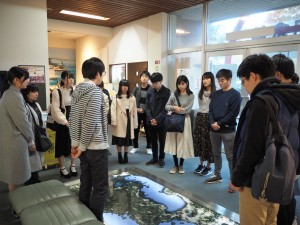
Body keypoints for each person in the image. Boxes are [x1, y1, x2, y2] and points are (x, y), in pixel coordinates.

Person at [230, 54, 300, 225]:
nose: (245, 87)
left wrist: (236, 178)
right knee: (270, 220)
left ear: (253, 76)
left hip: (255, 179)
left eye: (244, 81)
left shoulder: (259, 102)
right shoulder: (286, 98)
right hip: (278, 174)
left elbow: (251, 148)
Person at [69, 57, 109, 222]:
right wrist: (83, 146)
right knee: (100, 188)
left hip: (81, 146)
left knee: (85, 182)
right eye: (103, 72)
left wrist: (76, 144)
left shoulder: (77, 90)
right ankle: (96, 220)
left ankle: (84, 219)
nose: (103, 76)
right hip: (95, 147)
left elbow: (73, 118)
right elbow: (90, 121)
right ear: (98, 73)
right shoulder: (95, 92)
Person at [205, 69, 241, 192]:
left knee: (230, 156)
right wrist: (212, 123)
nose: (220, 83)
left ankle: (233, 180)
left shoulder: (235, 95)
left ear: (229, 80)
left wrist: (219, 123)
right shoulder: (215, 94)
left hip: (228, 130)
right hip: (214, 129)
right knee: (216, 153)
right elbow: (210, 111)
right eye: (219, 81)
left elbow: (232, 113)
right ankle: (217, 174)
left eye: (222, 80)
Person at [272, 54, 298, 225]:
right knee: (288, 196)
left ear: (278, 75)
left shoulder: (274, 98)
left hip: (278, 159)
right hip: (295, 160)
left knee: (277, 201)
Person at [0, 67, 35, 192]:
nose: (28, 81)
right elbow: (23, 123)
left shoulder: (10, 94)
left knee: (14, 176)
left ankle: (16, 207)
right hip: (15, 142)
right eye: (25, 79)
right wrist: (31, 141)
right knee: (16, 177)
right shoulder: (14, 96)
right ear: (16, 80)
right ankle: (17, 208)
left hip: (12, 140)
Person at [165, 75, 194, 174]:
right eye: (179, 84)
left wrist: (178, 110)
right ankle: (175, 165)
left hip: (185, 121)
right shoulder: (174, 94)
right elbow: (167, 106)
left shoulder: (191, 95)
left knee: (183, 143)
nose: (181, 86)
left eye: (183, 84)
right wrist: (174, 107)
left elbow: (188, 110)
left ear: (187, 83)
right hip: (173, 121)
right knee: (174, 142)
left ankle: (181, 165)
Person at [51, 70, 77, 178]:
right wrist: (66, 122)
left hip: (74, 120)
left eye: (72, 78)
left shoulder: (75, 91)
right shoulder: (57, 92)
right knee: (61, 145)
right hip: (62, 122)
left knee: (74, 144)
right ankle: (62, 168)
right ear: (63, 79)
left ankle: (73, 165)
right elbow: (55, 110)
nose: (71, 80)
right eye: (68, 78)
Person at [145, 72, 170, 167]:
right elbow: (147, 106)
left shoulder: (166, 91)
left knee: (162, 140)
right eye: (153, 83)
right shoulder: (150, 91)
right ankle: (154, 157)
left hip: (162, 121)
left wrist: (157, 119)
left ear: (161, 81)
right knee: (153, 140)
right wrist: (151, 119)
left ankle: (161, 158)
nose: (154, 85)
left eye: (156, 83)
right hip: (151, 121)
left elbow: (166, 108)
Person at [193, 72, 216, 176]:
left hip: (209, 119)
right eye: (203, 79)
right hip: (200, 118)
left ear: (211, 79)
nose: (205, 80)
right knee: (199, 142)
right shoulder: (200, 92)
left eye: (207, 78)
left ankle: (208, 167)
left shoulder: (216, 93)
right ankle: (201, 164)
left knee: (209, 143)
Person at [22, 84, 44, 185]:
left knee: (37, 157)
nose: (36, 94)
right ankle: (29, 180)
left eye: (37, 91)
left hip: (39, 134)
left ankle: (36, 177)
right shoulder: (24, 106)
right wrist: (30, 140)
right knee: (30, 159)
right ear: (27, 94)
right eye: (33, 92)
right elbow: (24, 124)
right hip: (30, 136)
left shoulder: (37, 104)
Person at [111, 79, 138, 164]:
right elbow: (113, 110)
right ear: (120, 87)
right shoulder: (116, 97)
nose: (125, 87)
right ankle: (119, 155)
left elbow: (134, 111)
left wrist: (135, 123)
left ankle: (126, 155)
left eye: (126, 86)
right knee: (119, 139)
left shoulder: (132, 97)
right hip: (119, 120)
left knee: (127, 139)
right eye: (123, 85)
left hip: (129, 119)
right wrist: (114, 121)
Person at [131, 71, 153, 155]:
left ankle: (149, 147)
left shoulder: (151, 89)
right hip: (137, 112)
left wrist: (143, 109)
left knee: (148, 130)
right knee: (135, 129)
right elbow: (132, 100)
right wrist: (136, 109)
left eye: (146, 76)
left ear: (148, 79)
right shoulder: (136, 89)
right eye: (143, 76)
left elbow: (151, 102)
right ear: (140, 78)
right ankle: (135, 146)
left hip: (147, 113)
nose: (144, 78)